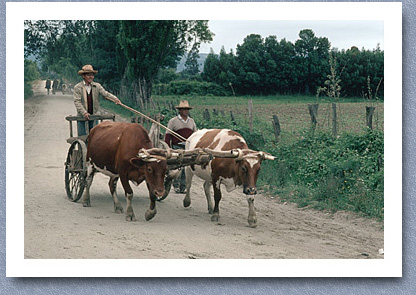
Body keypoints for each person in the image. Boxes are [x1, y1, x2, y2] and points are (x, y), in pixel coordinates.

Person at [73, 64, 121, 136]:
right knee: (82, 137)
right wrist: (84, 113)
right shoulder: (78, 87)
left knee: (95, 137)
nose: (91, 77)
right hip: (82, 117)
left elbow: (105, 94)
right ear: (83, 76)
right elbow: (77, 102)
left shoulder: (97, 86)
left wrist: (115, 99)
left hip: (94, 116)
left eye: (92, 75)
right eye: (89, 75)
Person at [164, 100, 197, 193]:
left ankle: (183, 187)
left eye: (187, 109)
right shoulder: (173, 121)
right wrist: (168, 148)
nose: (186, 111)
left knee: (186, 167)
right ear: (180, 110)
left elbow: (195, 134)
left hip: (188, 147)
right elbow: (168, 135)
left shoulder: (191, 121)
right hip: (176, 147)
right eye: (184, 109)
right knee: (178, 167)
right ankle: (176, 186)